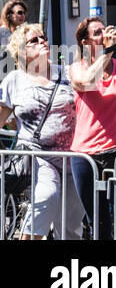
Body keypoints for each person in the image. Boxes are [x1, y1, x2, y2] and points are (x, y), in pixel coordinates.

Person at [0, 23, 82, 240]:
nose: (42, 42)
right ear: (22, 51)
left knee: (71, 225)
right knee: (47, 196)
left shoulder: (67, 74)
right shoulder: (14, 80)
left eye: (43, 38)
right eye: (34, 41)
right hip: (37, 156)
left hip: (73, 157)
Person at [68, 17, 116, 239]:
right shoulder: (76, 68)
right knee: (98, 222)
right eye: (97, 32)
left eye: (106, 30)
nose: (104, 34)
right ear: (85, 42)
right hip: (85, 155)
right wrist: (107, 51)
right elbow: (87, 82)